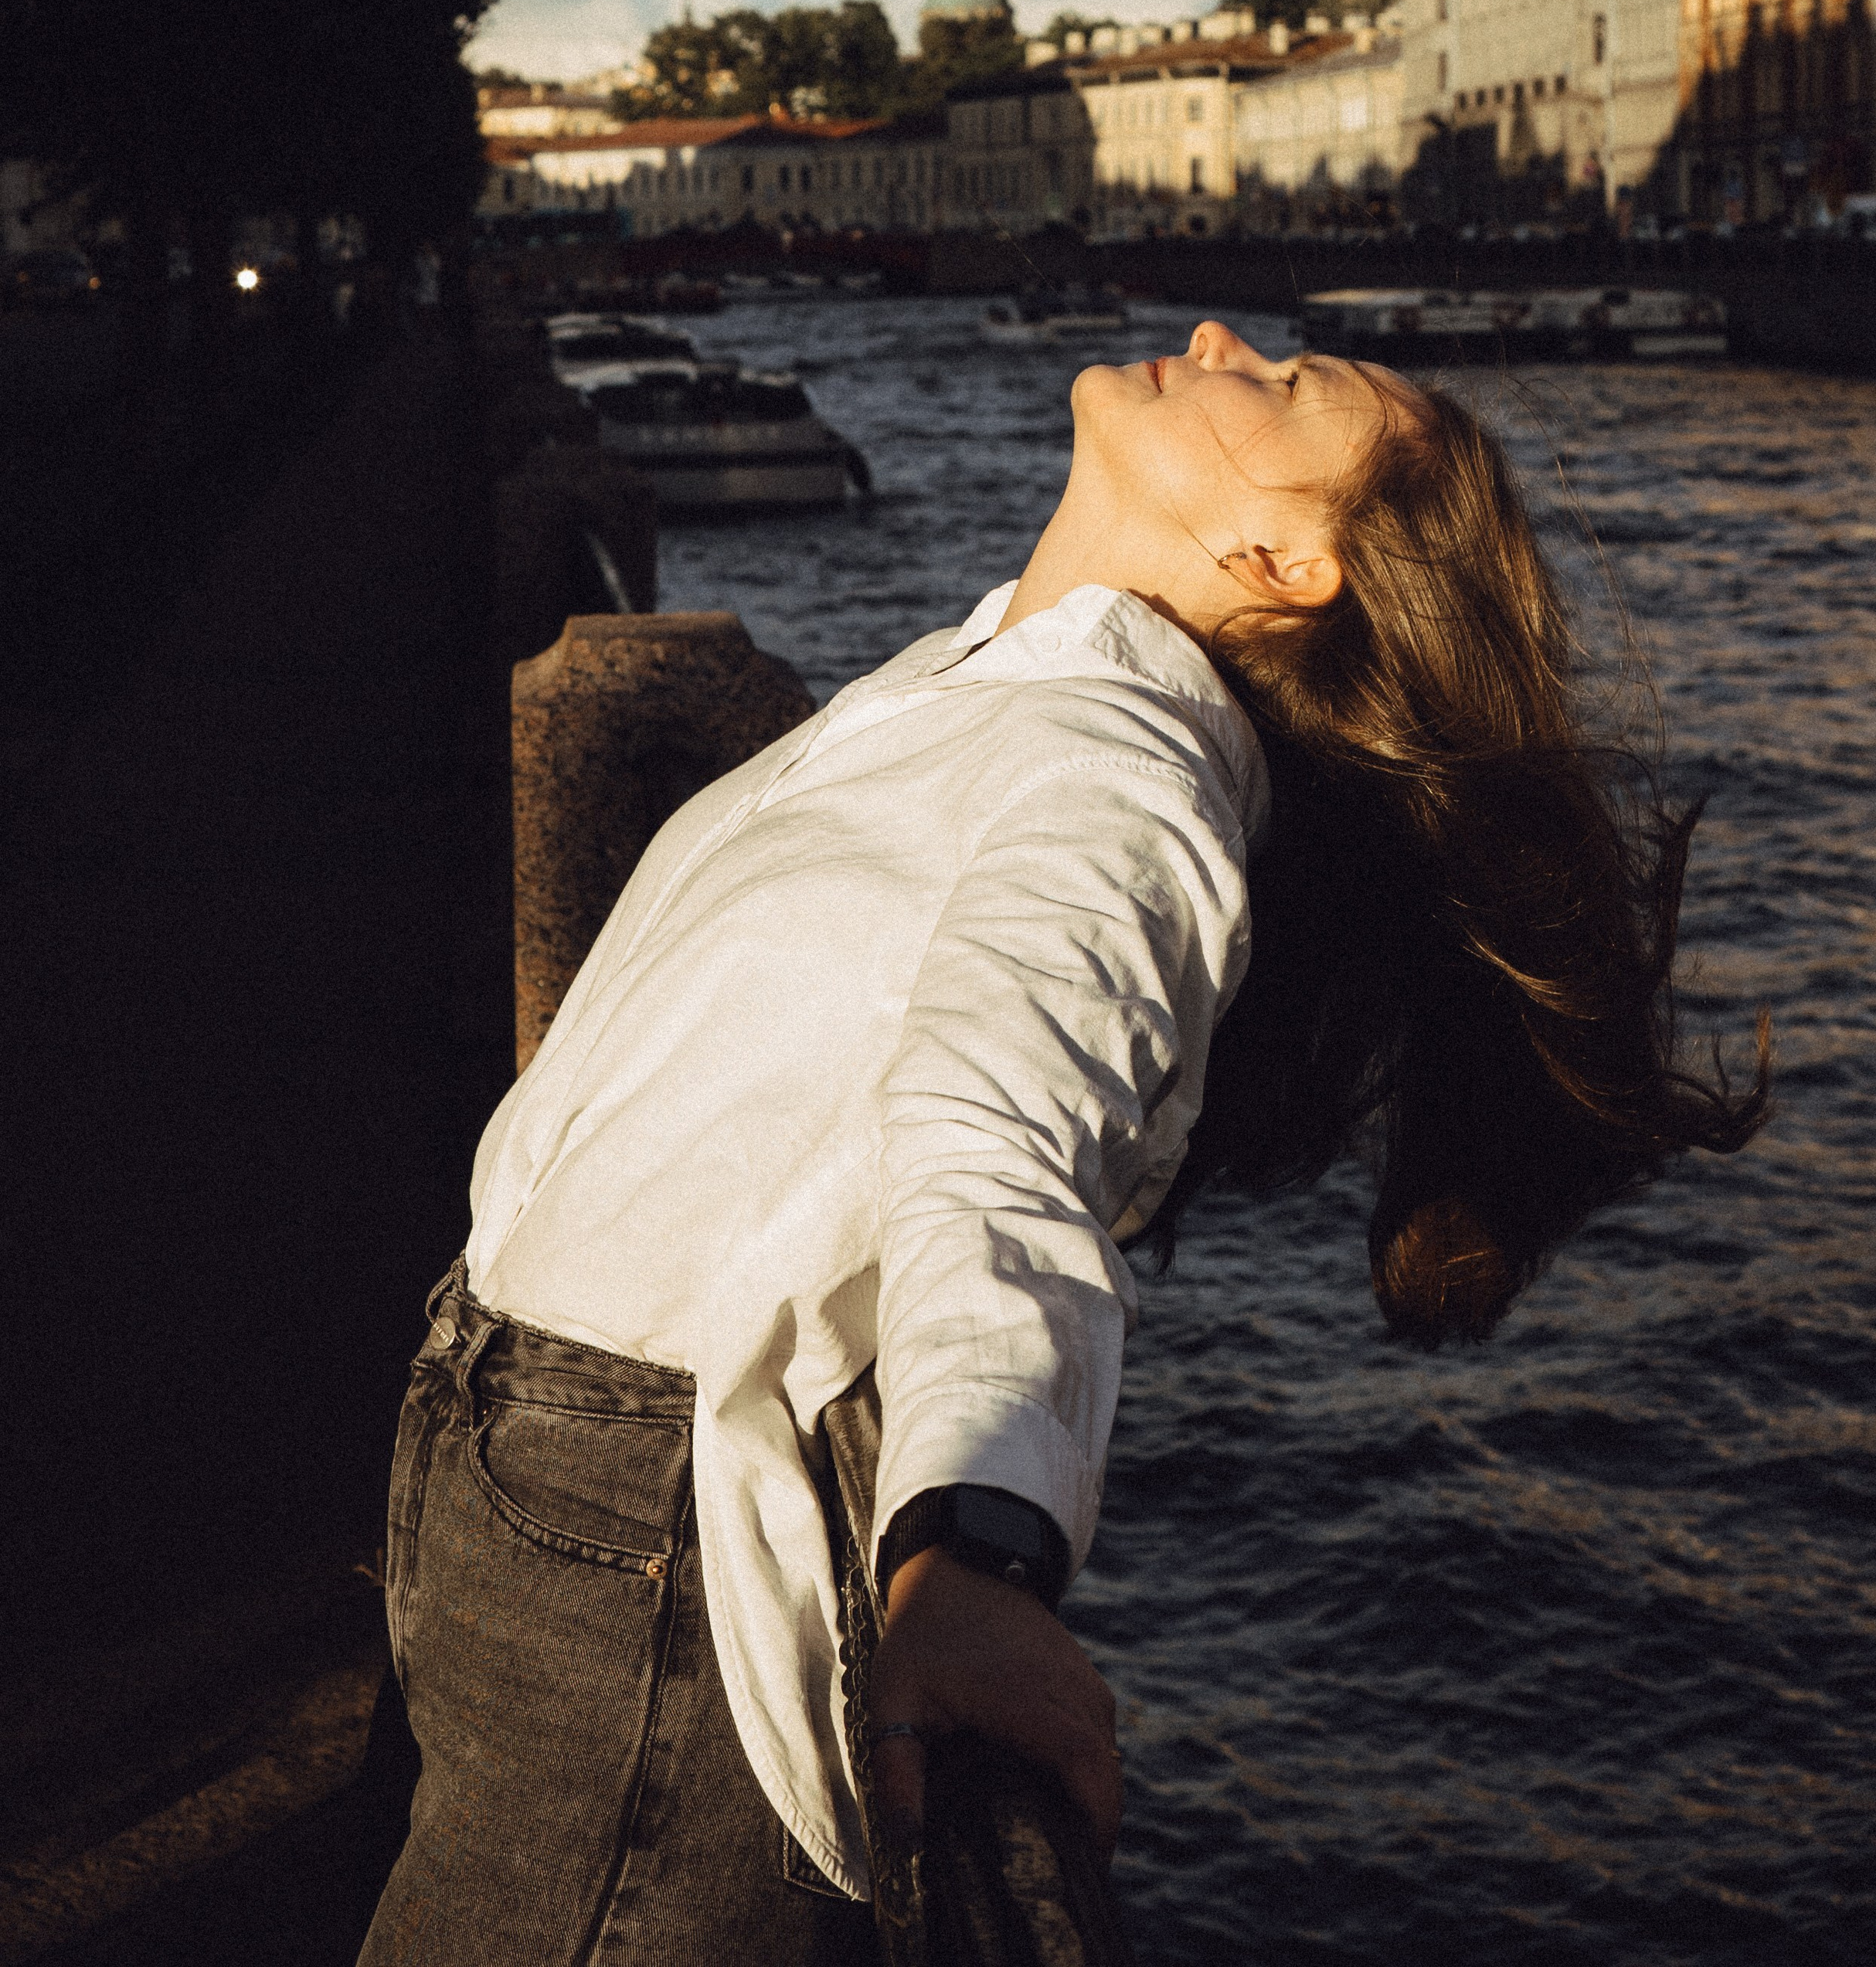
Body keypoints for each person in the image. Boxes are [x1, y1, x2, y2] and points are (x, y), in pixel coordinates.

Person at [359, 324, 1766, 1965]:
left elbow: (1002, 1147)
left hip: (640, 1521)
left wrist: (975, 1546)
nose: (1219, 340)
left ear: (1280, 558)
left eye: (1289, 384)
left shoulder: (1121, 776)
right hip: (519, 1446)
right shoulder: (1000, 672)